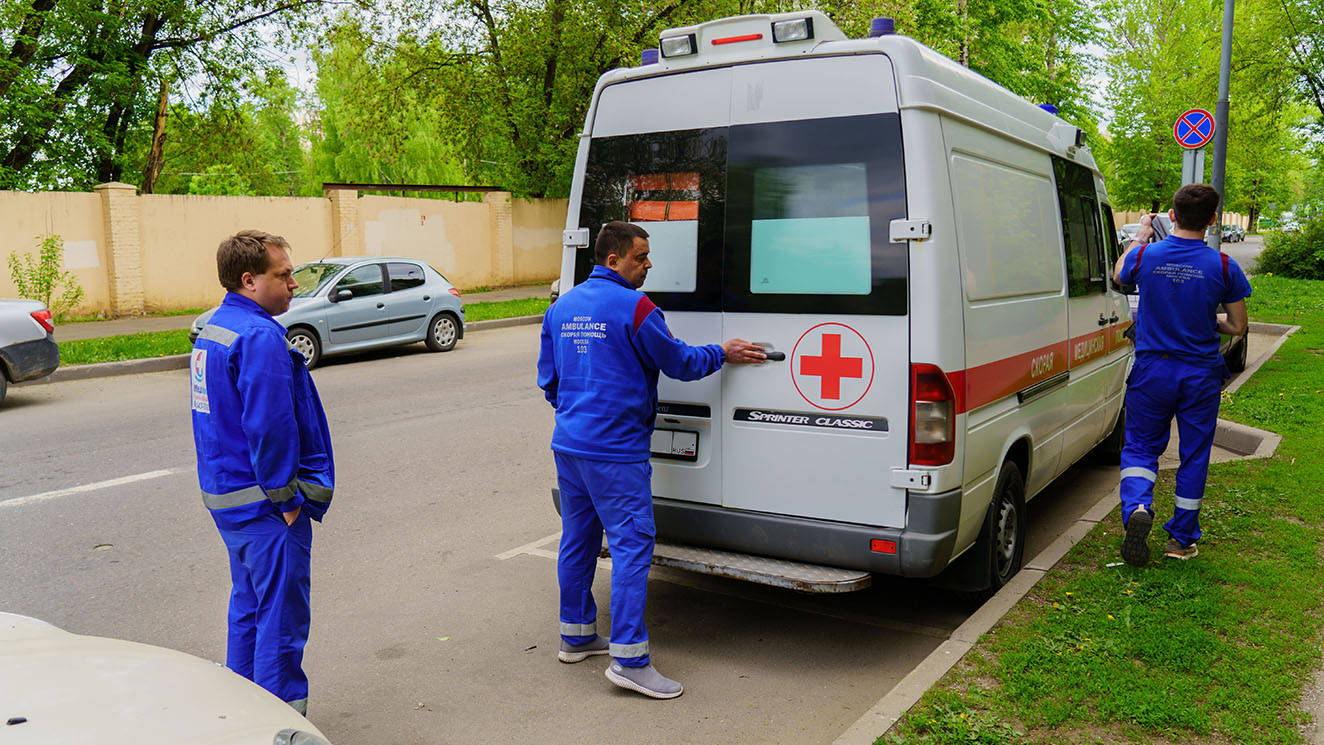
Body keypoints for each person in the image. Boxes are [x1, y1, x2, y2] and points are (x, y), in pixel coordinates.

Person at [536, 221, 766, 699]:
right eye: (640, 257)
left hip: (570, 446)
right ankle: (629, 661)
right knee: (632, 547)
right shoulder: (637, 308)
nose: (648, 265)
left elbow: (549, 381)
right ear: (614, 259)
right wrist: (722, 352)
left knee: (578, 541)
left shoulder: (561, 308)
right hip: (616, 453)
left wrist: (581, 415)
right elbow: (680, 362)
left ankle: (576, 635)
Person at [190, 230, 334, 714]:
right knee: (280, 621)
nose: (294, 283)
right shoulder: (259, 336)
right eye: (284, 274)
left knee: (250, 608)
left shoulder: (215, 327)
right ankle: (282, 722)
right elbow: (270, 427)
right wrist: (288, 500)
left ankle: (244, 711)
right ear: (250, 280)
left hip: (229, 498)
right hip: (266, 506)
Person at [1112, 184, 1251, 566]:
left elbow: (1119, 274)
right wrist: (1206, 320)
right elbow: (1237, 326)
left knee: (1140, 447)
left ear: (1171, 215)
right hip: (1200, 374)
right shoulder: (1224, 266)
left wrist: (1141, 235)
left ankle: (1137, 508)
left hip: (1152, 370)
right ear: (1213, 219)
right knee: (1194, 454)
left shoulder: (1145, 255)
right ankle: (1180, 540)